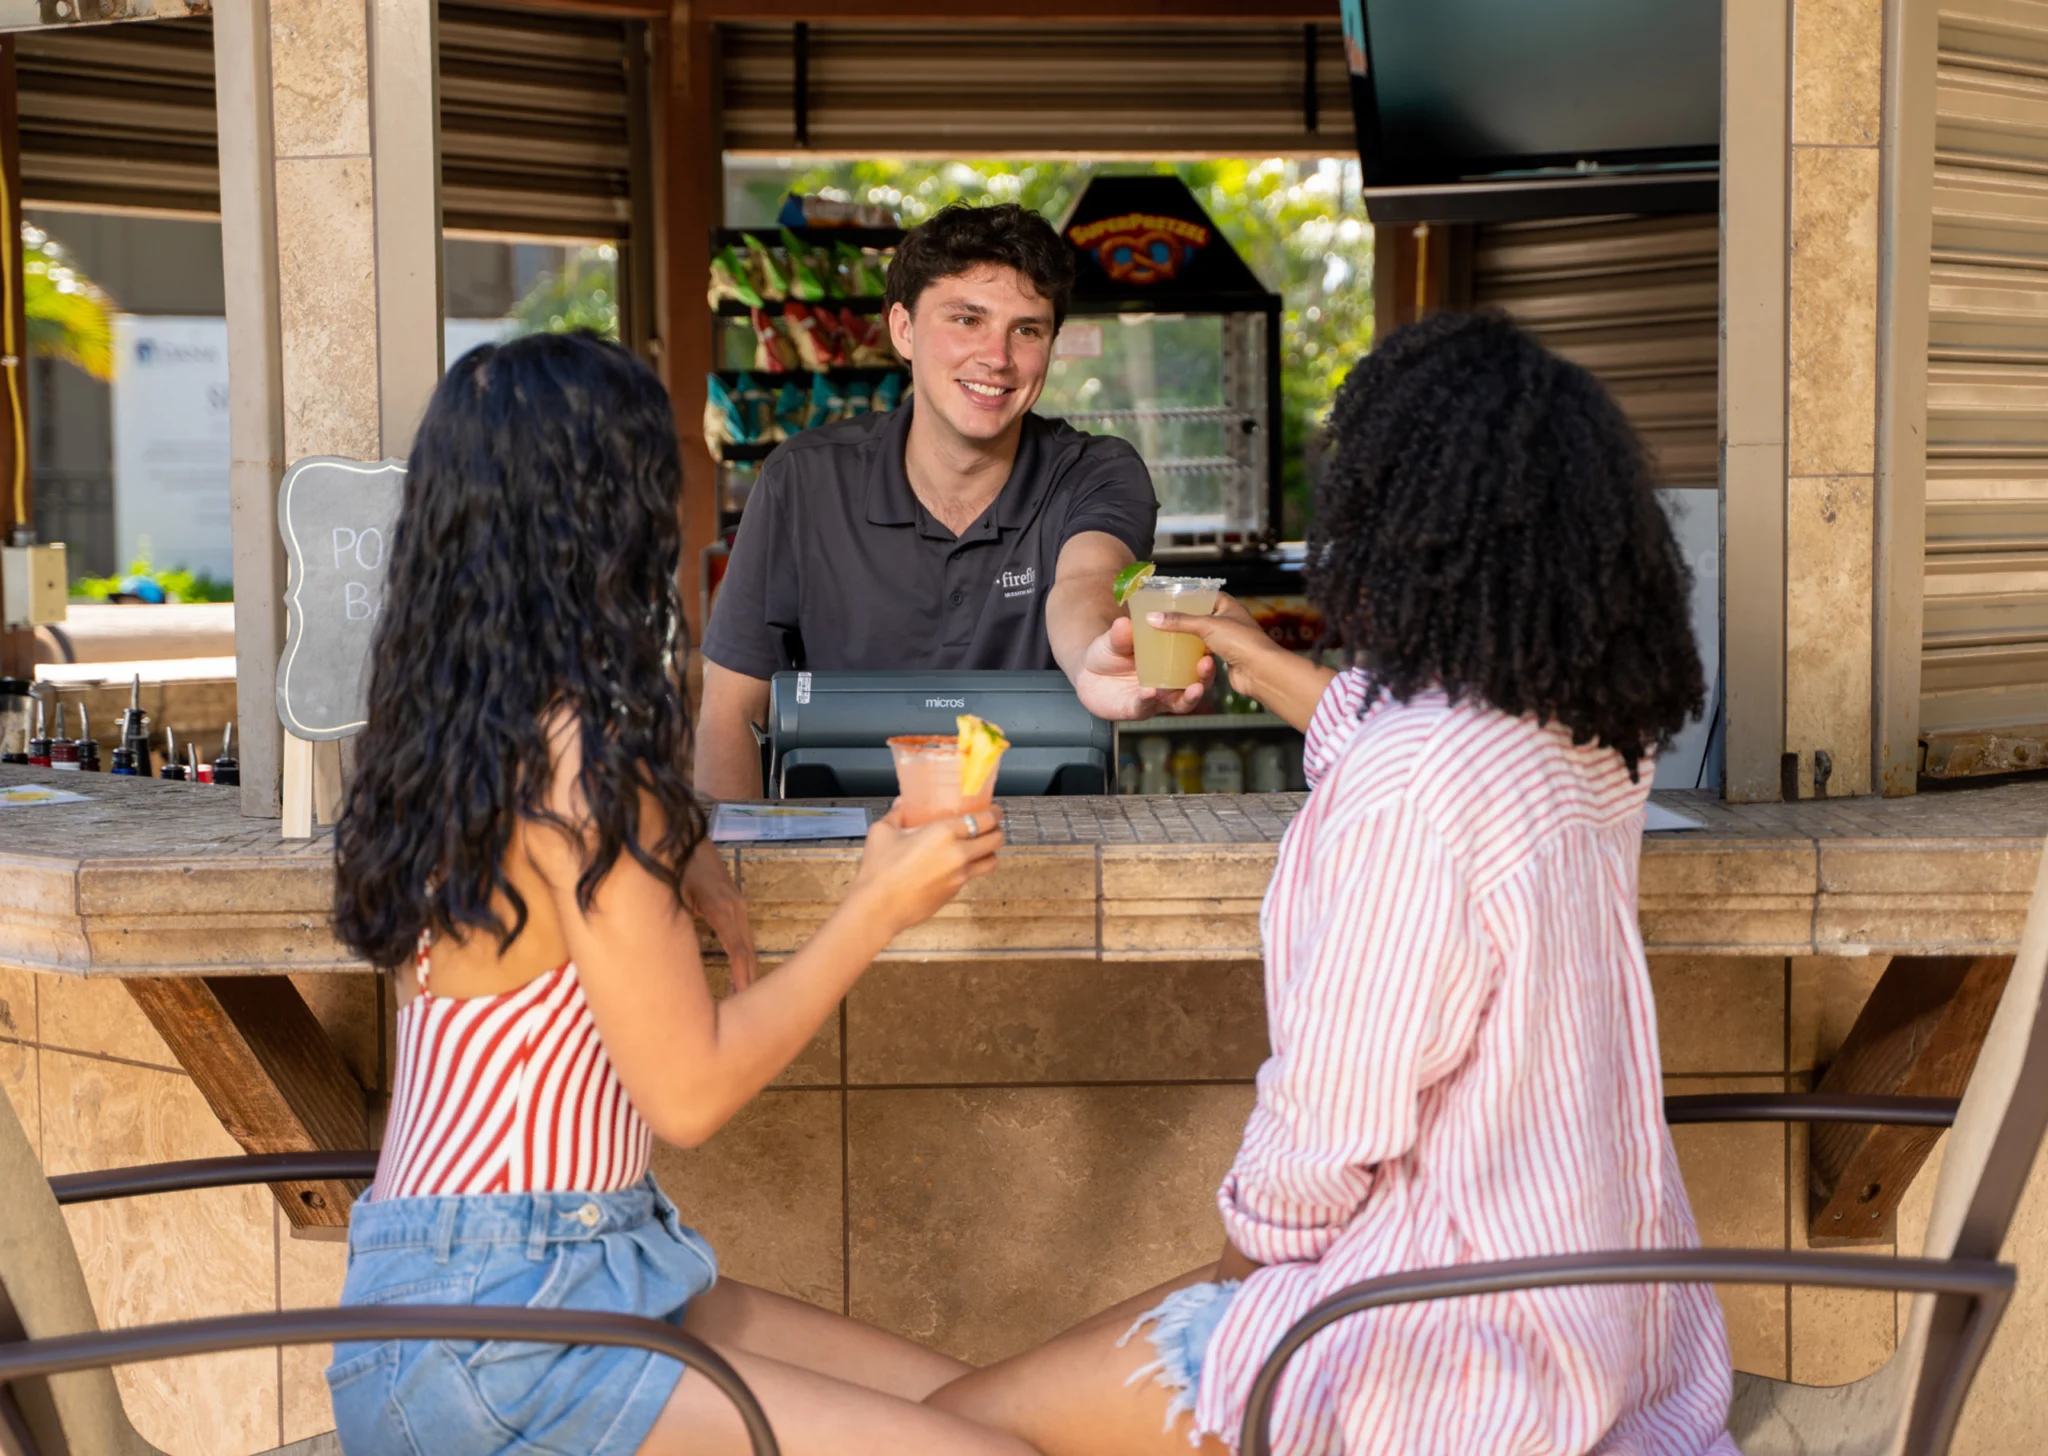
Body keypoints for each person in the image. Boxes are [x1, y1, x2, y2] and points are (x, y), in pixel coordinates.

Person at [924, 312, 1739, 1455]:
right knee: (1006, 1391)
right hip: (1594, 1306)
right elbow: (1396, 737)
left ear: (1389, 522)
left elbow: (1321, 1139)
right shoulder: (1582, 734)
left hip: (1438, 1354)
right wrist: (1254, 656)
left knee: (942, 1429)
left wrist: (1228, 1290)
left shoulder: (1414, 787)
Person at [327, 331, 1036, 1456]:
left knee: (977, 1409)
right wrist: (875, 908)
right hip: (509, 1331)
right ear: (607, 513)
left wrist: (681, 838)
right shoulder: (584, 767)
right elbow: (690, 1094)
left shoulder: (462, 731)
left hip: (469, 1290)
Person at [696, 202, 1208, 801]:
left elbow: (1087, 580)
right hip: (843, 876)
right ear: (903, 330)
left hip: (1053, 867)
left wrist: (1096, 655)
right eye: (967, 319)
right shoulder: (803, 480)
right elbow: (729, 711)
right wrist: (748, 877)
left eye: (1027, 329)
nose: (997, 357)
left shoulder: (1095, 470)